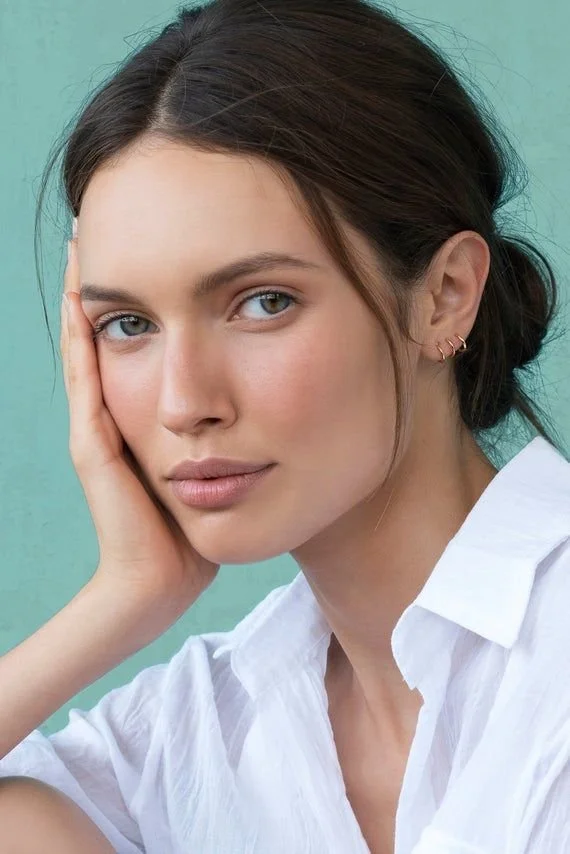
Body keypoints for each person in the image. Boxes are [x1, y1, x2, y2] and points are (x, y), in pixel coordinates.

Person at [1, 0, 569, 851]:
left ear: (445, 294)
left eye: (263, 303)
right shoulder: (198, 729)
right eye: (130, 325)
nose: (183, 402)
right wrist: (121, 598)